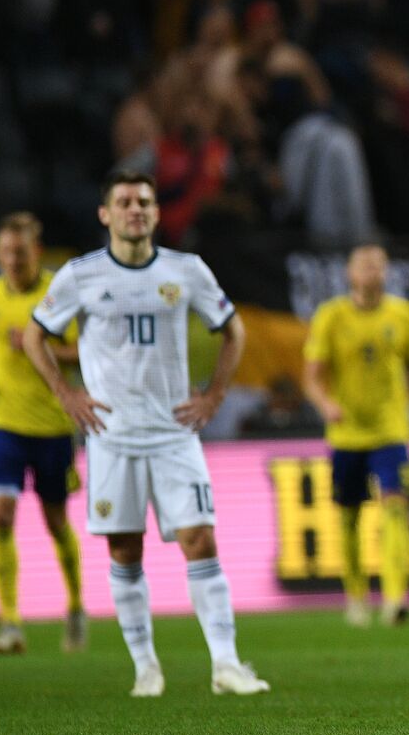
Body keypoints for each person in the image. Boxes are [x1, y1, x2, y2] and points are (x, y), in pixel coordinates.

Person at [23, 170, 268, 697]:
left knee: (200, 538)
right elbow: (33, 335)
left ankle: (225, 665)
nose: (136, 209)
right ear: (105, 214)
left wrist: (214, 395)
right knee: (124, 552)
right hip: (112, 436)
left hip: (174, 434)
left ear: (157, 215)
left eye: (145, 202)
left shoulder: (187, 271)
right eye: (125, 202)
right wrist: (65, 395)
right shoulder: (79, 276)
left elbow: (233, 330)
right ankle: (146, 668)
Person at [0, 212, 86, 655]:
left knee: (55, 522)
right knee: (0, 515)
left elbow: (78, 349)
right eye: (5, 253)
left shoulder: (58, 292)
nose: (12, 260)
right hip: (3, 423)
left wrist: (41, 344)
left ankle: (75, 605)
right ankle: (10, 620)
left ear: (36, 252)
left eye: (20, 252)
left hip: (52, 423)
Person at [302, 245, 409, 627]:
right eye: (365, 266)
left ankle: (395, 598)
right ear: (350, 273)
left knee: (395, 507)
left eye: (378, 265)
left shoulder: (403, 315)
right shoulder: (331, 317)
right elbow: (311, 375)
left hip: (391, 430)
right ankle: (356, 597)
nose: (372, 272)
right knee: (349, 516)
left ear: (386, 272)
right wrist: (325, 403)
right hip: (346, 434)